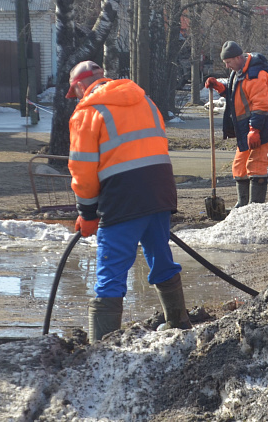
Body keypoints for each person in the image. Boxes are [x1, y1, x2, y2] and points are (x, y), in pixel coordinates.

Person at [66, 60, 191, 341]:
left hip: (122, 197)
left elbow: (82, 169)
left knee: (110, 271)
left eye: (75, 93)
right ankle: (179, 324)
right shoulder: (143, 99)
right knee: (161, 256)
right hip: (159, 189)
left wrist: (86, 214)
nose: (77, 98)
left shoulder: (87, 112)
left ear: (80, 85)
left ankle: (103, 349)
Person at [205, 41, 268, 207]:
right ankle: (242, 203)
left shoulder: (255, 75)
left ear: (238, 58)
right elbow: (236, 94)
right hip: (246, 127)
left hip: (261, 125)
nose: (227, 66)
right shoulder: (239, 72)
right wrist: (219, 87)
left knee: (256, 162)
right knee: (240, 164)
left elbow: (261, 105)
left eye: (228, 62)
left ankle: (255, 206)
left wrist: (255, 130)